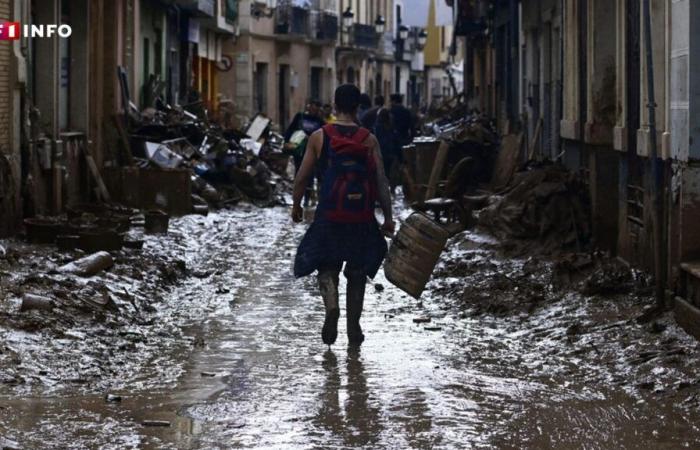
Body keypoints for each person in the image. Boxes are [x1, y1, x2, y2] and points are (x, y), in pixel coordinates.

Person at [292, 84, 395, 347]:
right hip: (360, 217)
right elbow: (381, 181)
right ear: (357, 106)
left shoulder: (319, 136)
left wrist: (296, 205)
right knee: (357, 271)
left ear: (335, 104)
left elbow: (302, 177)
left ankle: (331, 308)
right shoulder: (368, 139)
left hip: (329, 215)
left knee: (326, 266)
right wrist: (388, 217)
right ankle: (353, 327)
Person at [284, 100, 326, 205]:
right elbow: (290, 129)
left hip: (312, 151)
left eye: (316, 106)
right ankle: (297, 197)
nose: (313, 108)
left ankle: (307, 198)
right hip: (299, 150)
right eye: (312, 106)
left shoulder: (320, 121)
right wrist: (286, 142)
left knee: (310, 175)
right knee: (299, 173)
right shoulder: (299, 117)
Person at [374, 107, 400, 193]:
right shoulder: (391, 127)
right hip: (391, 154)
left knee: (383, 175)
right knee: (392, 175)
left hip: (382, 154)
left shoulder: (378, 127)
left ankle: (383, 192)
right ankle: (391, 192)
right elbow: (396, 141)